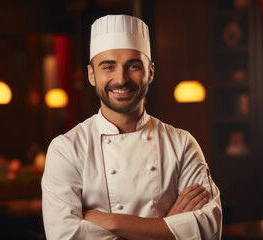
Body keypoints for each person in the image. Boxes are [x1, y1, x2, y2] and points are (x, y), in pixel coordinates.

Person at [42, 14, 222, 240]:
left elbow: (208, 229)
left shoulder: (182, 143)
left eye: (133, 65)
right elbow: (64, 236)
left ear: (150, 72)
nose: (121, 79)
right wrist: (168, 227)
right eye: (108, 66)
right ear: (91, 75)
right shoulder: (66, 149)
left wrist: (112, 222)